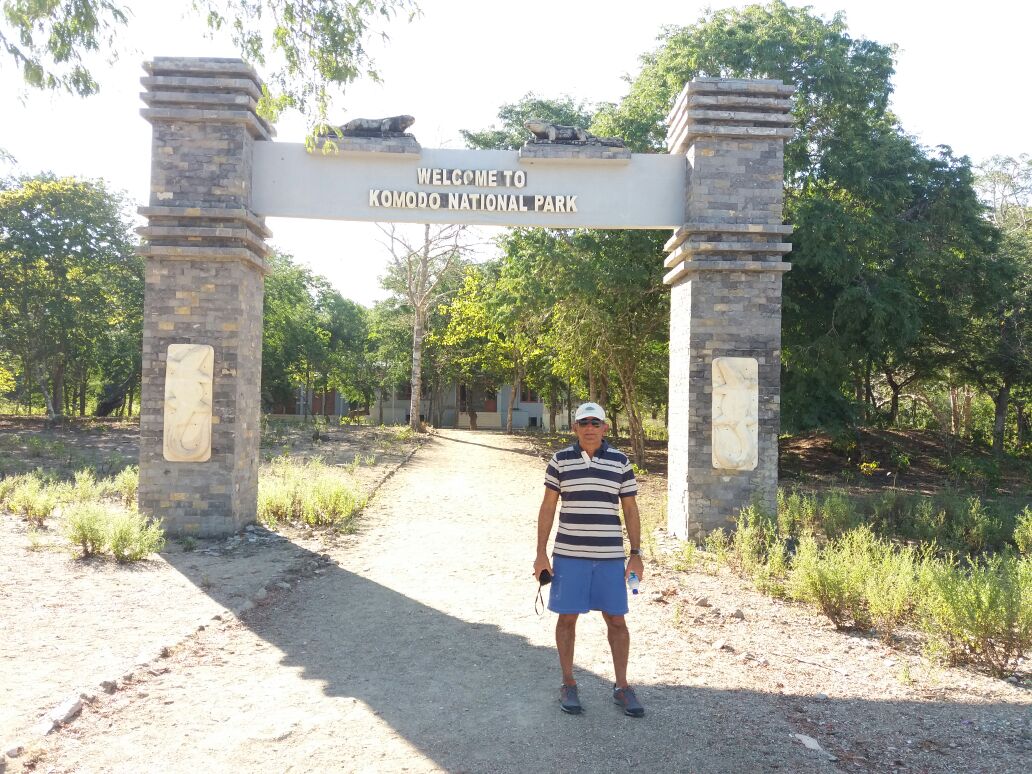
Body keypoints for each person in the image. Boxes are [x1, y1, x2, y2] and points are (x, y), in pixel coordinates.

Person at [533, 401, 645, 717]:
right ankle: (568, 683)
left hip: (610, 557)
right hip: (569, 556)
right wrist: (541, 554)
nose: (590, 428)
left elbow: (631, 510)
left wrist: (635, 555)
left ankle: (622, 687)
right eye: (584, 423)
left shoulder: (621, 463)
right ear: (575, 428)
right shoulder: (560, 461)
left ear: (605, 428)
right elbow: (547, 508)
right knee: (567, 618)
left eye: (596, 423)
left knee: (617, 620)